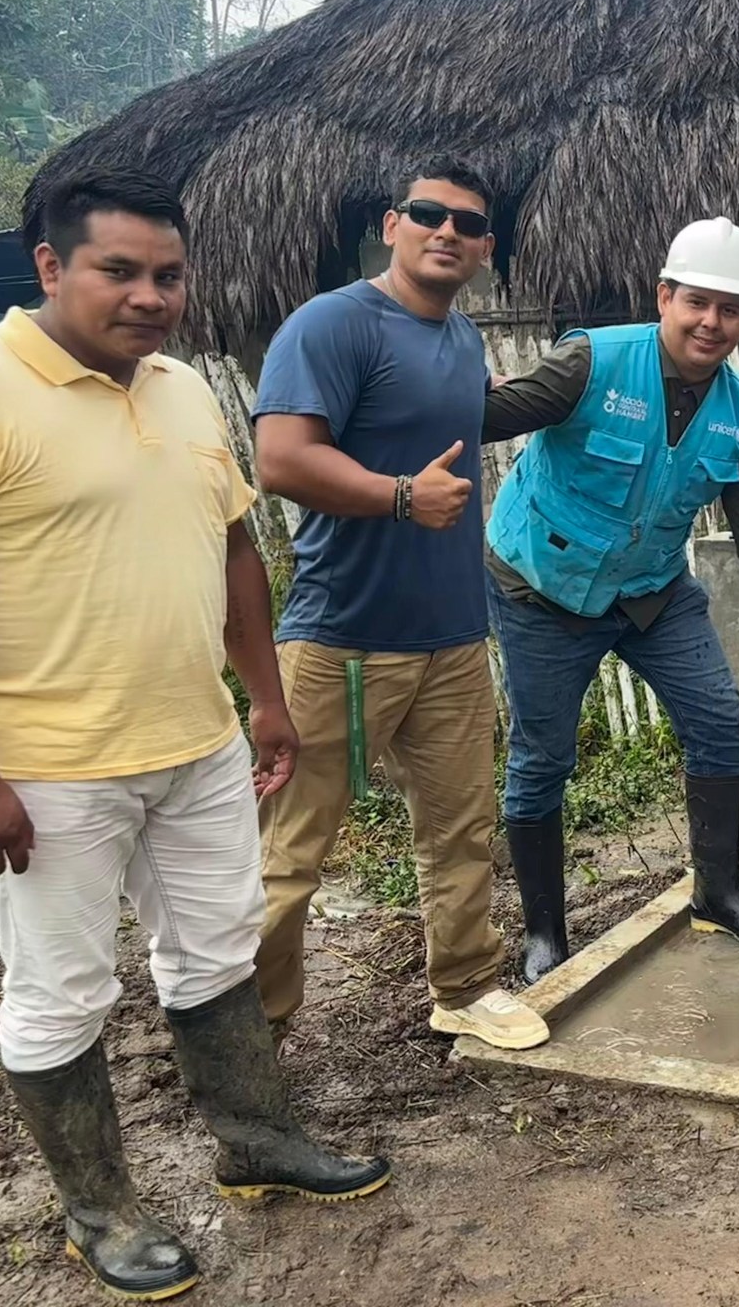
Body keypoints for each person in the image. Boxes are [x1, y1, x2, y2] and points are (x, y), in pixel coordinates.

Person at [0, 172, 388, 1301]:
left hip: (194, 743)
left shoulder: (179, 390)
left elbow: (232, 552)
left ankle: (254, 1143)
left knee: (217, 951)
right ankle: (101, 1211)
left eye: (167, 275)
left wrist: (263, 700)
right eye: (118, 271)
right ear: (49, 268)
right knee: (61, 992)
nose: (149, 296)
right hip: (48, 768)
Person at [482, 217, 739, 980]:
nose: (712, 322)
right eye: (697, 302)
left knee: (717, 718)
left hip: (651, 592)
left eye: (732, 309)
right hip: (541, 585)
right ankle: (545, 933)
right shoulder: (593, 361)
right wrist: (440, 384)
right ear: (664, 295)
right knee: (543, 757)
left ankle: (718, 892)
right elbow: (486, 417)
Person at [251, 157, 546, 1051]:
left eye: (466, 223)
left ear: (486, 248)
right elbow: (281, 459)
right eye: (428, 214)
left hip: (452, 634)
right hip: (345, 637)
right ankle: (249, 1032)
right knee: (289, 855)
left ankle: (462, 987)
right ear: (392, 224)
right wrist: (397, 496)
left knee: (460, 831)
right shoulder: (332, 325)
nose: (446, 231)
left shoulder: (462, 340)